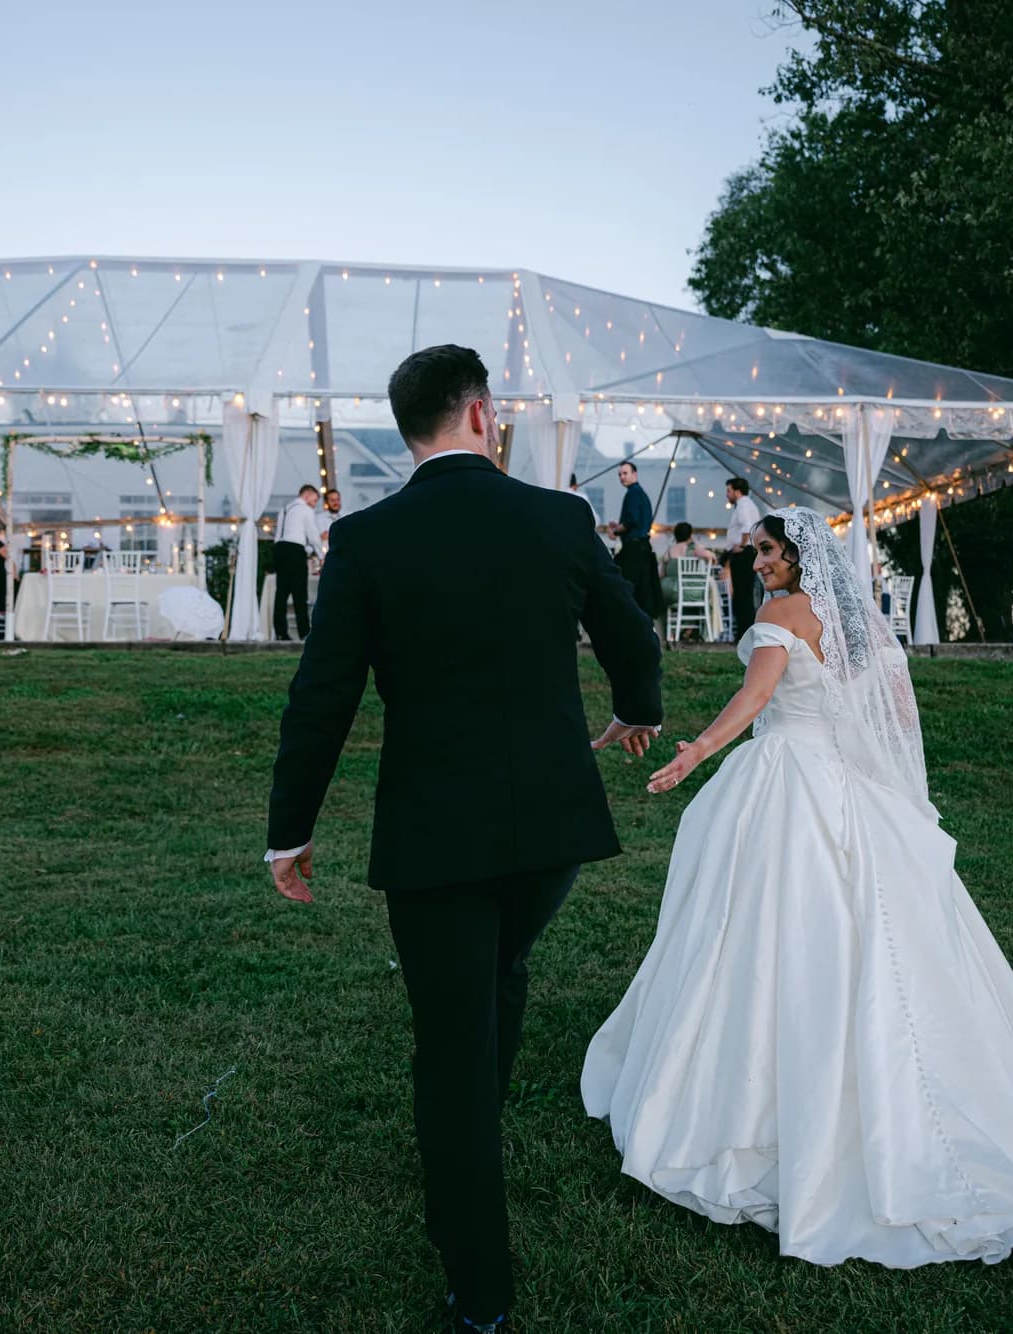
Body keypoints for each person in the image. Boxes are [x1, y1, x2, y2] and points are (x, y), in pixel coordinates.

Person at [582, 507, 1013, 1267]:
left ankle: (752, 1099)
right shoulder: (866, 627)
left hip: (786, 783)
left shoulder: (782, 616)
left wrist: (696, 756)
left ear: (799, 557)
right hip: (853, 788)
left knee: (763, 930)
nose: (760, 565)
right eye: (757, 554)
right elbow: (897, 717)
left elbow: (754, 702)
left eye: (770, 552)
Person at [264, 344, 663, 1331]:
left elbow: (321, 696)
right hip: (552, 825)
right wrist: (634, 707)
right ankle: (471, 1145)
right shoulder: (560, 517)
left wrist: (289, 830)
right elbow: (632, 635)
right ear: (482, 416)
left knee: (452, 1036)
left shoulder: (364, 538)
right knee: (501, 972)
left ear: (409, 431)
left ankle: (477, 1287)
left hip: (435, 829)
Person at [607, 460, 663, 618]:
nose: (622, 477)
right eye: (620, 474)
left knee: (624, 588)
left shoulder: (633, 493)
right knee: (642, 593)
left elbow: (632, 521)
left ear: (634, 474)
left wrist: (615, 530)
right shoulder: (640, 494)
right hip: (642, 548)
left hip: (634, 549)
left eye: (625, 473)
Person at [273, 483, 320, 640]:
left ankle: (280, 632)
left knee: (281, 593)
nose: (314, 505)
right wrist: (321, 554)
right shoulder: (305, 510)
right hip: (295, 551)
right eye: (314, 501)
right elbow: (313, 535)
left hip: (280, 549)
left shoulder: (284, 509)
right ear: (306, 496)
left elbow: (278, 534)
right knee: (300, 594)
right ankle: (304, 632)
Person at [725, 476, 762, 639]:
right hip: (748, 552)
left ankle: (743, 633)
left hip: (744, 554)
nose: (727, 494)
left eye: (729, 490)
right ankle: (744, 631)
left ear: (737, 491)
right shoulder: (748, 505)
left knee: (742, 594)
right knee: (745, 593)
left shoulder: (743, 505)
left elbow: (747, 527)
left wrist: (741, 544)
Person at [320, 487, 343, 555]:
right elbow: (319, 537)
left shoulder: (348, 515)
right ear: (326, 502)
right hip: (327, 555)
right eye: (332, 500)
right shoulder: (319, 518)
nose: (336, 503)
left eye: (337, 499)